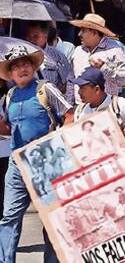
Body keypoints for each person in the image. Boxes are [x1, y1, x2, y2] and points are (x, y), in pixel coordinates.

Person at [0, 46, 71, 263]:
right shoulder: (9, 96)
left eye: (26, 64)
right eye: (17, 66)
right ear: (10, 74)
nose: (22, 69)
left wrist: (59, 141)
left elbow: (69, 115)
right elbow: (8, 129)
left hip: (46, 160)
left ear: (33, 67)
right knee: (9, 217)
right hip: (17, 163)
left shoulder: (45, 88)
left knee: (52, 217)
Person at [72, 66, 125, 155]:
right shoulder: (80, 111)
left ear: (97, 89)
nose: (79, 92)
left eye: (83, 88)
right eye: (79, 88)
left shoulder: (118, 104)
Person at [68, 13, 125, 99]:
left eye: (83, 31)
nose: (79, 34)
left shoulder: (114, 50)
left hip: (106, 107)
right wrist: (70, 106)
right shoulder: (77, 51)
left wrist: (104, 68)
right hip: (81, 108)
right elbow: (70, 80)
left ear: (95, 32)